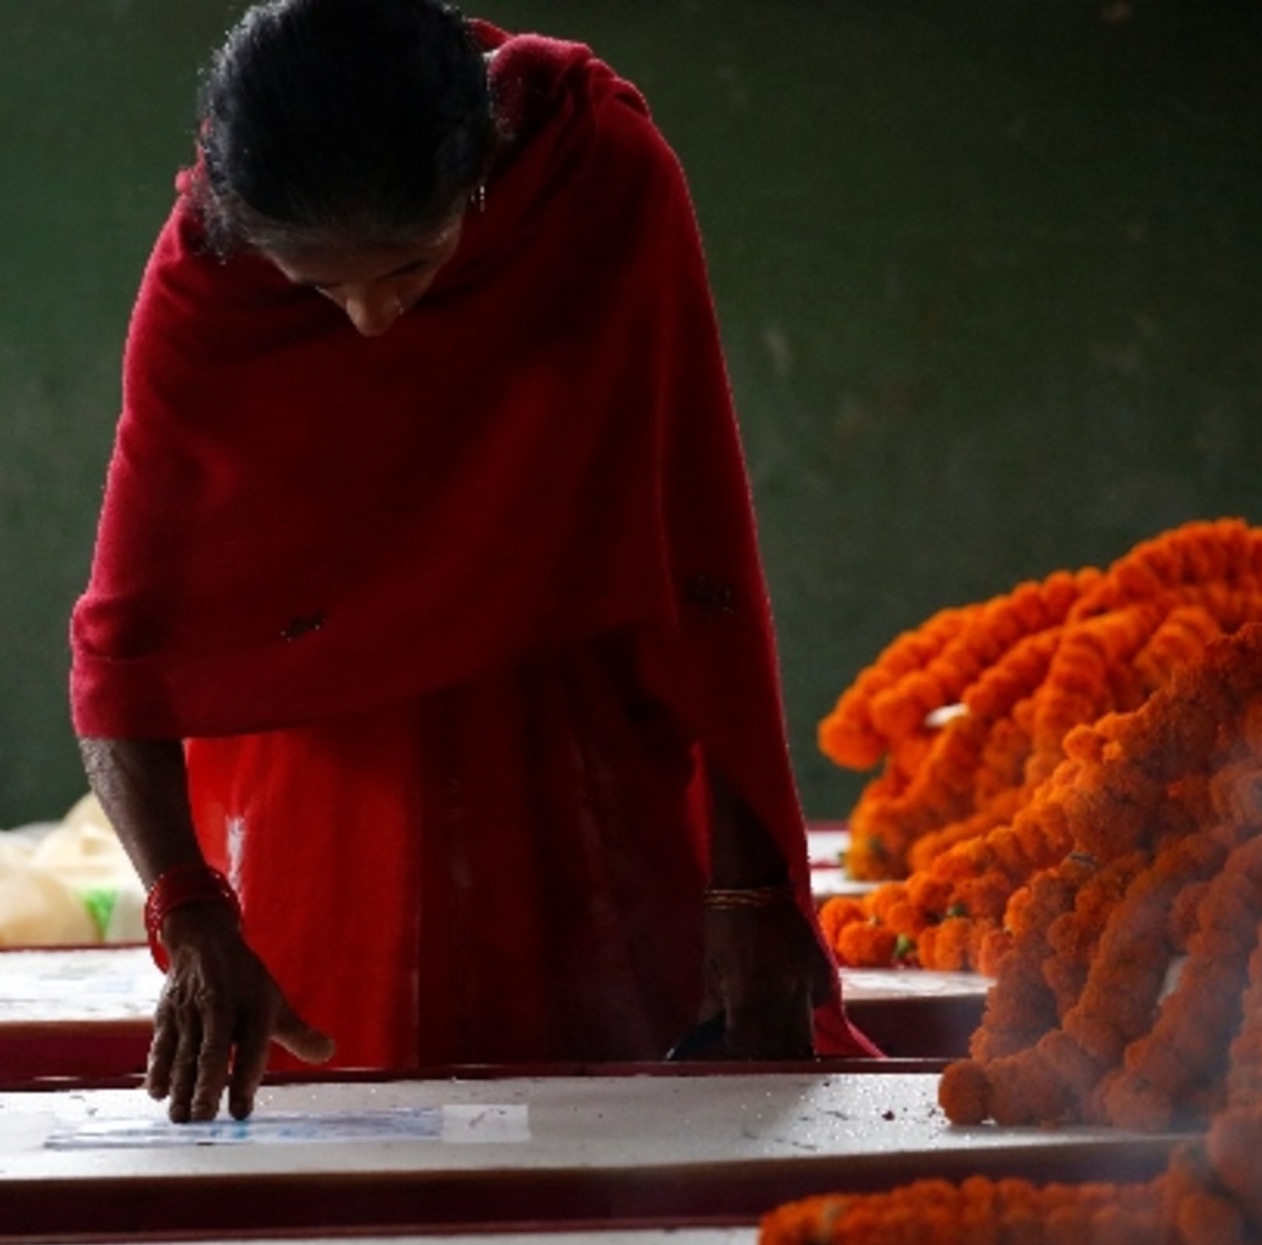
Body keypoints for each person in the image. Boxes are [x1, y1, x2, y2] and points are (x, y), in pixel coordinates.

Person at [70, 0, 878, 1124]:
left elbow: (698, 540)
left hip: (584, 747)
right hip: (328, 782)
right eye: (319, 288)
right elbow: (121, 655)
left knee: (629, 1151)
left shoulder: (597, 178)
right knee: (347, 1159)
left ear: (484, 176)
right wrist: (194, 910)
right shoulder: (213, 275)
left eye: (411, 265)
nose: (367, 320)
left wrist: (749, 883)